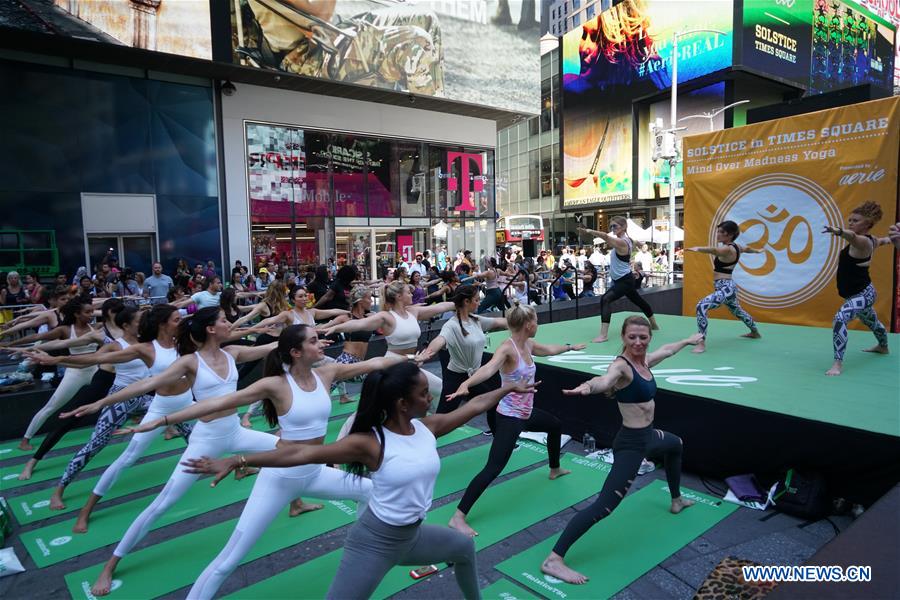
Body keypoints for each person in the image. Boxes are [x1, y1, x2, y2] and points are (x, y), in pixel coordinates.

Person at [182, 362, 536, 600]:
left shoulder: (427, 428)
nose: (431, 398)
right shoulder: (369, 443)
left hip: (413, 536)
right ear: (402, 403)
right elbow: (299, 454)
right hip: (374, 542)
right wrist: (239, 459)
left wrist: (508, 389)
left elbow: (472, 408)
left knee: (464, 549)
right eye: (424, 393)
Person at [123, 326, 404, 599]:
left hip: (315, 473)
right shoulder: (276, 384)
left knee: (371, 491)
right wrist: (161, 420)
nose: (322, 344)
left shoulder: (327, 373)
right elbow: (218, 403)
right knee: (228, 561)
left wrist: (410, 358)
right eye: (314, 341)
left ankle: (365, 547)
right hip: (279, 480)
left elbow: (377, 362)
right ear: (295, 352)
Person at [86, 307, 282, 596]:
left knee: (290, 450)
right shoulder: (191, 362)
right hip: (206, 440)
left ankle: (292, 499)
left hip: (235, 432)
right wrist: (100, 404)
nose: (230, 323)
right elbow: (149, 383)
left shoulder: (234, 353)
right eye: (224, 320)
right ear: (211, 329)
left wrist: (309, 333)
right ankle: (110, 564)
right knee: (162, 504)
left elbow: (272, 347)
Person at [542, 316, 702, 584]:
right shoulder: (622, 367)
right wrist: (587, 387)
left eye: (643, 337)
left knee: (675, 445)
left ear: (649, 337)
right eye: (632, 337)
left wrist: (687, 341)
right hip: (630, 444)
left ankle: (676, 501)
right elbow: (604, 381)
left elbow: (667, 350)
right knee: (605, 506)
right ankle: (554, 559)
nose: (638, 342)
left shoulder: (645, 361)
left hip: (648, 435)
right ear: (623, 338)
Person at [29, 305, 191, 530]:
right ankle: (61, 489)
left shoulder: (174, 343)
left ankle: (234, 464)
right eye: (138, 320)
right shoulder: (128, 346)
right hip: (121, 398)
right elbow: (92, 358)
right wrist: (57, 361)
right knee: (96, 444)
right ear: (126, 325)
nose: (141, 322)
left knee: (196, 438)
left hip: (148, 398)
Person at [444, 303, 585, 537]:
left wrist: (570, 347)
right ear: (529, 325)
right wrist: (466, 384)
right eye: (537, 321)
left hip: (526, 413)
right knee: (493, 468)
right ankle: (458, 517)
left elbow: (548, 349)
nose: (538, 324)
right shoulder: (508, 349)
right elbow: (489, 369)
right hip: (509, 418)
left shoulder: (527, 344)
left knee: (555, 425)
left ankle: (554, 469)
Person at [323, 281, 452, 399]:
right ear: (399, 296)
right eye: (408, 292)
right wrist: (336, 328)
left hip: (410, 363)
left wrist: (458, 303)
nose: (412, 294)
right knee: (385, 406)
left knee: (439, 389)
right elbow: (359, 324)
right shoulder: (386, 316)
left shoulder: (414, 311)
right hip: (392, 365)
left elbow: (441, 307)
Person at [9, 297, 98, 450]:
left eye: (92, 311)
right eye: (88, 312)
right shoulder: (65, 329)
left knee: (116, 393)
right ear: (77, 314)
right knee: (51, 406)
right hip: (75, 373)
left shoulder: (96, 327)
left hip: (95, 370)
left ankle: (130, 417)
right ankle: (25, 440)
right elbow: (38, 337)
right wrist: (10, 344)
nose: (92, 314)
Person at [418, 285, 507, 430]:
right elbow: (440, 340)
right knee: (441, 418)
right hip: (456, 379)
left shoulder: (475, 320)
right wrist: (426, 354)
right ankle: (420, 436)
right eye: (477, 300)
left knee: (493, 402)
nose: (479, 303)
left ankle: (497, 436)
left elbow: (499, 322)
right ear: (466, 302)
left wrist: (519, 321)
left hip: (474, 378)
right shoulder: (451, 326)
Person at [822, 202, 891, 376]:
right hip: (859, 293)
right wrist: (892, 239)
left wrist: (838, 231)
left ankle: (837, 364)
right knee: (872, 322)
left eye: (856, 220)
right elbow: (882, 241)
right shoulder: (872, 241)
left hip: (863, 294)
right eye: (850, 219)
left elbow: (852, 236)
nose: (851, 222)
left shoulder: (862, 242)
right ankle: (883, 347)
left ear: (867, 224)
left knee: (840, 318)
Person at [686, 220, 762, 354]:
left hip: (725, 288)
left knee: (701, 306)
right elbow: (747, 249)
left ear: (730, 235)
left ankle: (701, 342)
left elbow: (715, 250)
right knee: (737, 311)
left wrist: (698, 248)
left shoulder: (727, 249)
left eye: (721, 232)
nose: (718, 234)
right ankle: (755, 332)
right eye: (718, 231)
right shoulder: (737, 247)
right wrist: (756, 251)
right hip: (728, 287)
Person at [579, 218, 659, 343]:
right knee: (638, 300)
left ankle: (603, 335)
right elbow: (636, 241)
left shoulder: (621, 242)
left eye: (615, 226)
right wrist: (639, 245)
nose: (612, 229)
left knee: (605, 299)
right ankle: (653, 324)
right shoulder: (629, 240)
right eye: (611, 227)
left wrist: (588, 230)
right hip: (623, 279)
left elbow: (605, 236)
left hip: (625, 281)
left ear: (623, 227)